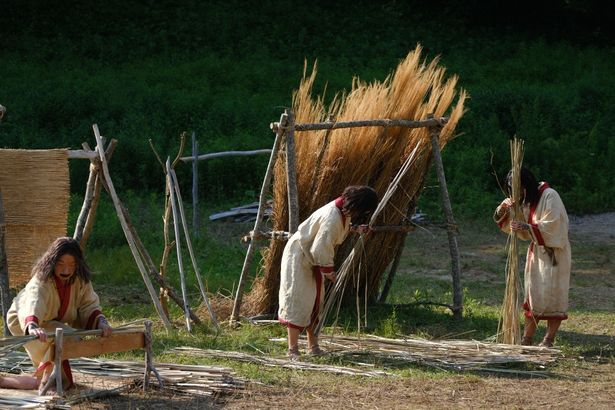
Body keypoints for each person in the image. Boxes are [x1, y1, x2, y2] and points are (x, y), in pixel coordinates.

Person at [278, 185, 378, 359]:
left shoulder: (342, 210)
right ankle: (292, 349)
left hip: (312, 257)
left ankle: (313, 346)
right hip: (299, 256)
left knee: (316, 301)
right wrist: (328, 271)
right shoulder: (332, 216)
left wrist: (355, 229)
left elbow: (335, 232)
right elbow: (320, 247)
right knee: (298, 300)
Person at [6, 237, 112, 390]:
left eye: (71, 265)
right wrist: (32, 324)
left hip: (49, 323)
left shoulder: (80, 280)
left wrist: (101, 321)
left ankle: (37, 381)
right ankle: (49, 382)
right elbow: (33, 300)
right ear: (52, 262)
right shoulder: (41, 280)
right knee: (66, 337)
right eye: (61, 264)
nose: (66, 270)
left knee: (67, 337)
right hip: (23, 319)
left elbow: (88, 305)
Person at [493, 168, 571, 347]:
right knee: (534, 295)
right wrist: (503, 210)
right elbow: (511, 219)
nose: (515, 193)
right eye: (512, 189)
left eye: (517, 188)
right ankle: (527, 338)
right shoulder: (525, 200)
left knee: (554, 296)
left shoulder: (550, 196)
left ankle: (548, 339)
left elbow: (555, 226)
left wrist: (527, 227)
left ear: (526, 184)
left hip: (555, 254)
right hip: (537, 253)